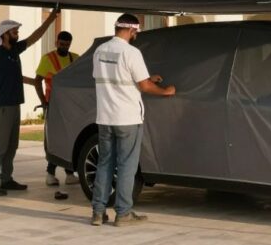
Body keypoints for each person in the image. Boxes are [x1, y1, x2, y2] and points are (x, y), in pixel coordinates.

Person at [91, 13, 176, 227]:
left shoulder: (100, 50)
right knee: (127, 165)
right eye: (136, 31)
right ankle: (123, 213)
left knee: (104, 163)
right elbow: (145, 87)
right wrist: (165, 91)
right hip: (127, 118)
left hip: (105, 117)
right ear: (131, 30)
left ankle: (98, 212)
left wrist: (147, 78)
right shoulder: (131, 52)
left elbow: (113, 78)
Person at [0, 9, 59, 196]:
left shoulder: (13, 51)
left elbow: (34, 38)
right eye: (15, 32)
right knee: (0, 147)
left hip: (14, 104)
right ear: (5, 34)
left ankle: (7, 179)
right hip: (3, 106)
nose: (18, 35)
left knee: (12, 146)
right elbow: (8, 77)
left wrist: (51, 18)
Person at [34, 31, 78, 187]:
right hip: (53, 104)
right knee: (55, 140)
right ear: (56, 42)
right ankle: (50, 174)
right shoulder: (48, 59)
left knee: (69, 138)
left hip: (70, 106)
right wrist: (43, 102)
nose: (64, 47)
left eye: (66, 44)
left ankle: (69, 174)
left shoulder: (75, 58)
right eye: (61, 44)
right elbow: (37, 81)